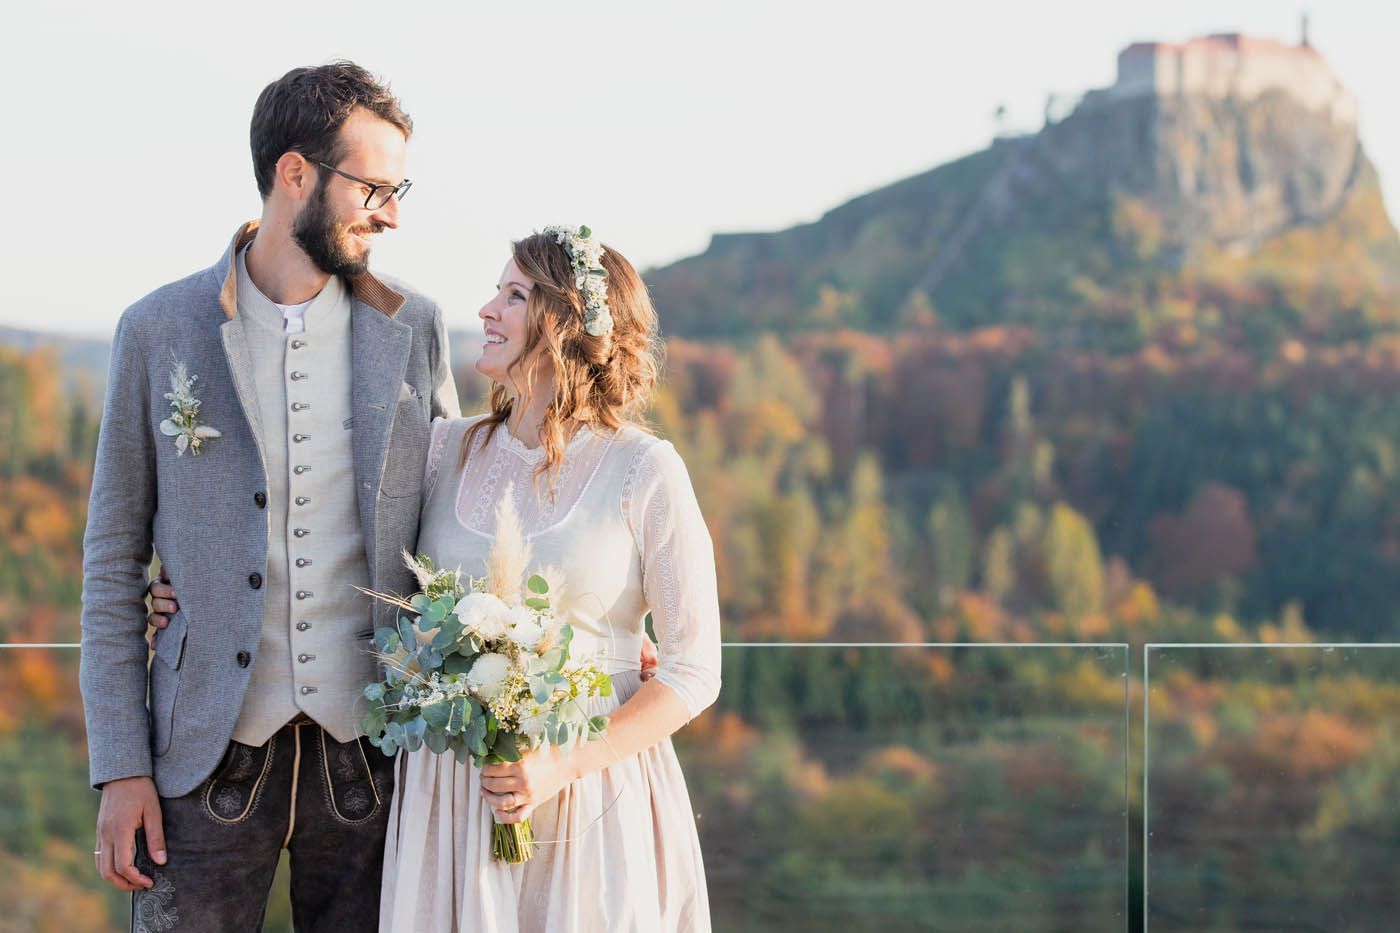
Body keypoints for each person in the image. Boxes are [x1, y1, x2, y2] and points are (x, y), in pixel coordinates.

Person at [79, 61, 459, 931]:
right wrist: (119, 764)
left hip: (373, 754)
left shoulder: (415, 328)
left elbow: (461, 519)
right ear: (297, 175)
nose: (392, 212)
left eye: (400, 189)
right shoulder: (158, 328)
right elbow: (110, 559)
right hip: (202, 758)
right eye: (374, 185)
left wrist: (598, 631)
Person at [378, 227, 721, 932]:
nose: (487, 310)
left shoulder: (644, 468)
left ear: (563, 323)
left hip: (592, 801)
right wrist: (172, 595)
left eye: (513, 295)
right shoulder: (446, 449)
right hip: (452, 802)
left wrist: (562, 762)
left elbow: (694, 669)